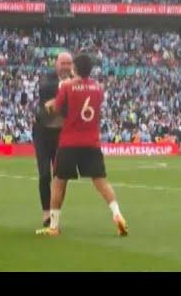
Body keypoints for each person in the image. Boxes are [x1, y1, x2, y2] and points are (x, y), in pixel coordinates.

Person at [36, 54, 128, 237]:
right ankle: (117, 214)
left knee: (58, 182)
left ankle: (53, 226)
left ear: (75, 69)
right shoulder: (98, 88)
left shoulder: (67, 86)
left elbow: (57, 108)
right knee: (101, 181)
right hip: (92, 141)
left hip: (69, 141)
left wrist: (50, 105)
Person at [32, 52, 73, 228]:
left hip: (62, 133)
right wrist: (68, 87)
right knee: (44, 174)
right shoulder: (47, 79)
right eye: (62, 63)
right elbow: (46, 94)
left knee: (61, 176)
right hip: (43, 131)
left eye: (68, 63)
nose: (65, 66)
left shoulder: (75, 82)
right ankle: (46, 213)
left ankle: (55, 214)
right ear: (56, 64)